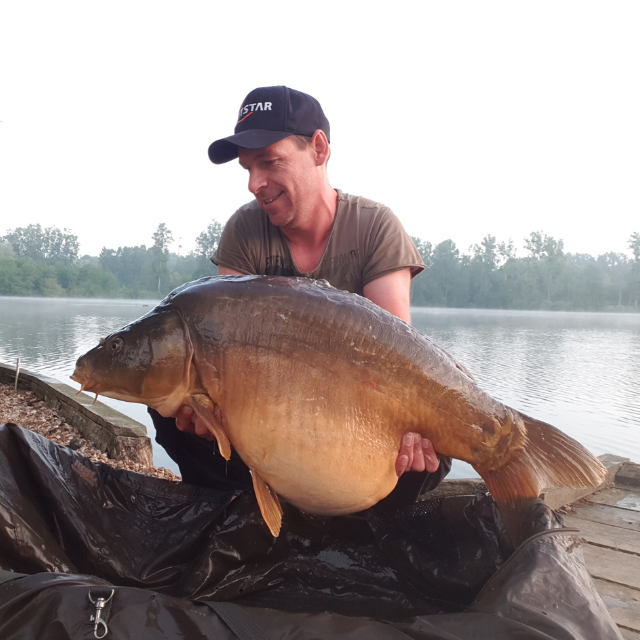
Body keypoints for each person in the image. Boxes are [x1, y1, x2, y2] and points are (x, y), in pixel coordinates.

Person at [151, 86, 451, 509]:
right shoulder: (244, 231)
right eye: (247, 168)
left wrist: (414, 430)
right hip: (272, 413)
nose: (254, 184)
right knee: (170, 405)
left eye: (269, 162)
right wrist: (206, 407)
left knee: (431, 451)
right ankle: (238, 515)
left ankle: (351, 520)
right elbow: (217, 343)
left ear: (319, 149)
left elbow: (397, 360)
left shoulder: (375, 228)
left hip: (355, 418)